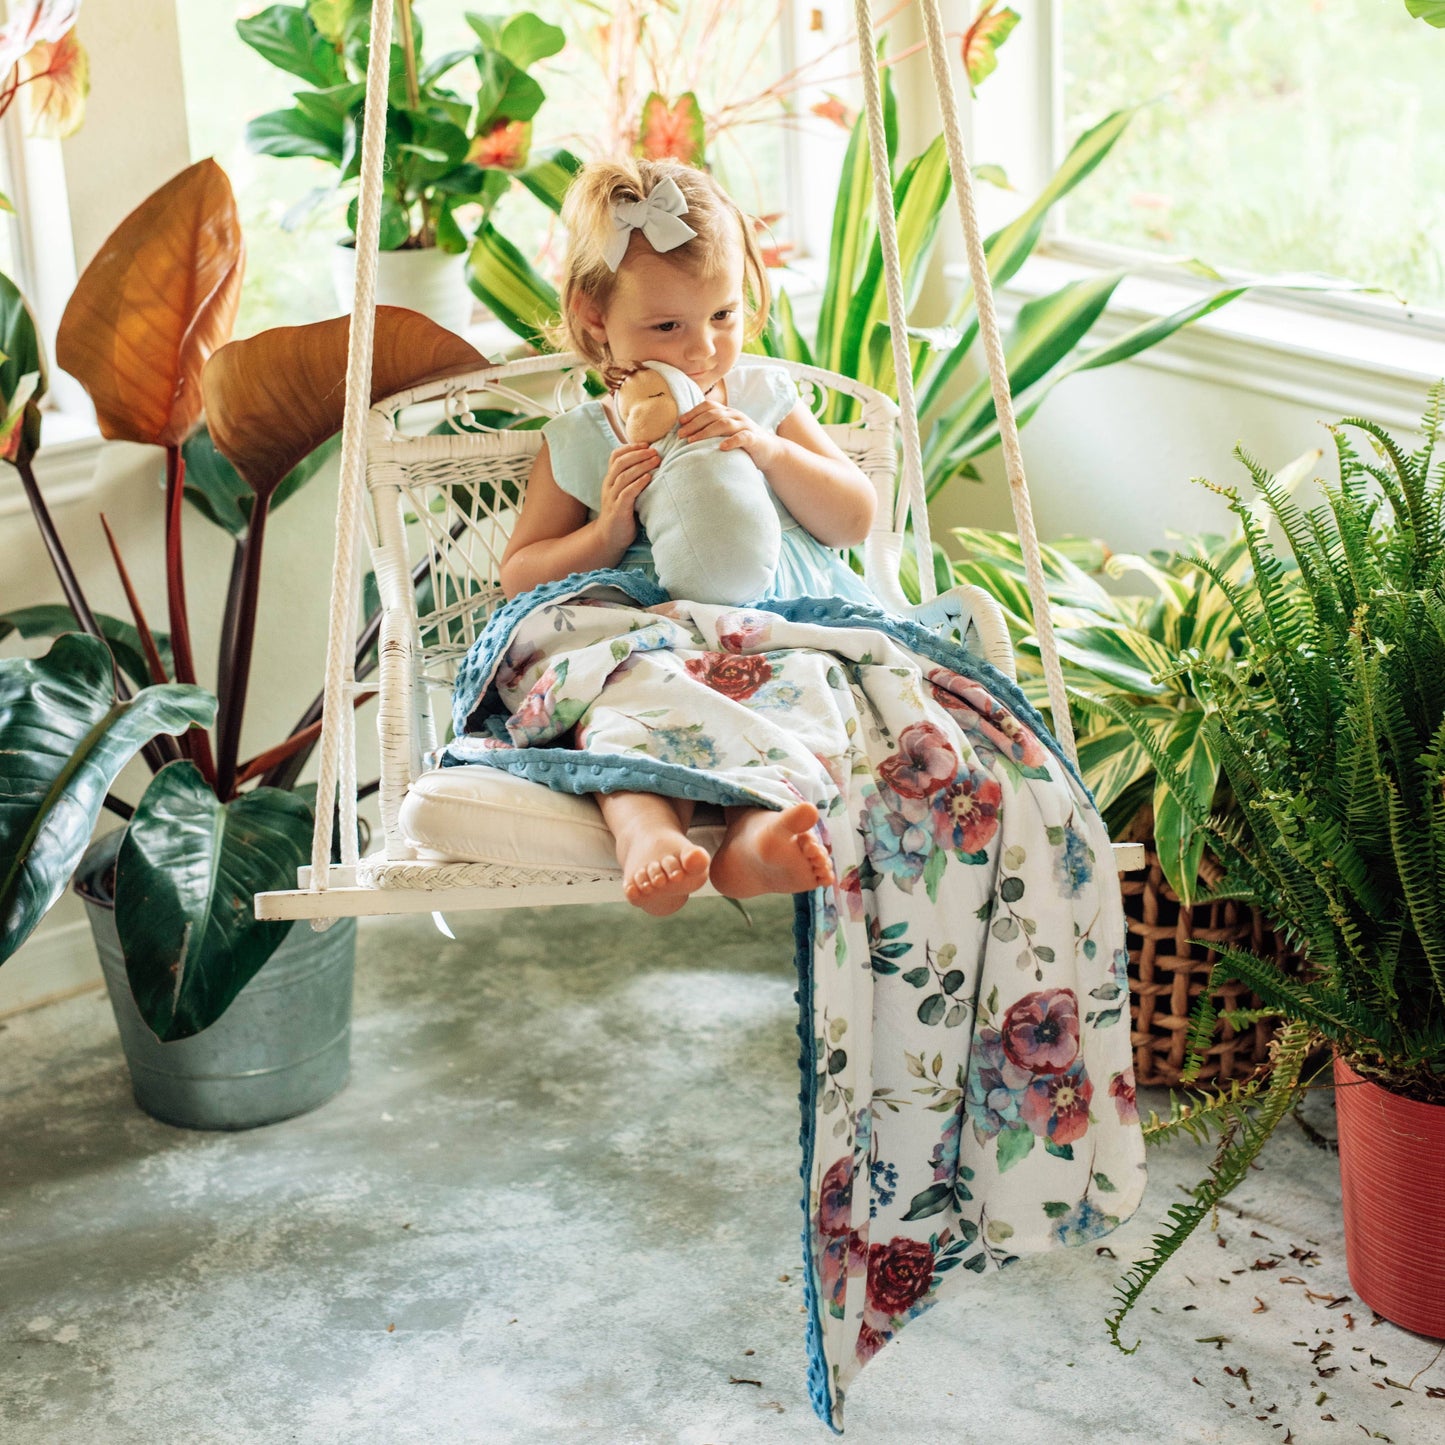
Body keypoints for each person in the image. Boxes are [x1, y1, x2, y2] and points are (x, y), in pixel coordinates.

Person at [499, 157, 879, 917]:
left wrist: (767, 451)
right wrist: (607, 530)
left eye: (723, 317)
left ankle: (755, 840)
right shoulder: (579, 437)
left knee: (798, 693)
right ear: (595, 317)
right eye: (667, 326)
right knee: (616, 702)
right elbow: (522, 575)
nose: (702, 349)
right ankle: (646, 833)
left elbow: (853, 517)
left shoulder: (762, 399)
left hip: (766, 625)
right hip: (645, 630)